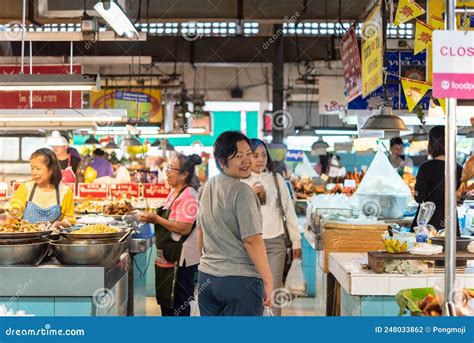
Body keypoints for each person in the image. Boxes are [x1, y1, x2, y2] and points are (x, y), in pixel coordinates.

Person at [197, 131, 273, 316]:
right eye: (238, 156)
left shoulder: (207, 186)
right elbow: (252, 240)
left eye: (248, 154)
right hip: (240, 282)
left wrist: (207, 264)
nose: (247, 160)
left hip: (207, 279)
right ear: (222, 162)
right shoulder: (242, 191)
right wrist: (269, 280)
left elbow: (201, 233)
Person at [242, 138, 302, 316]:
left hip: (276, 243)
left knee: (273, 290)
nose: (260, 159)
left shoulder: (277, 180)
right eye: (254, 155)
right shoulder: (240, 182)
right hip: (249, 243)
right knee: (251, 289)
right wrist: (250, 195)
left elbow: (289, 210)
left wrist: (296, 241)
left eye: (263, 155)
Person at [140, 154, 201, 316]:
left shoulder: (189, 196)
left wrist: (156, 219)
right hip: (167, 260)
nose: (167, 172)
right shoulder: (174, 192)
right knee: (167, 305)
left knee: (178, 306)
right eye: (167, 168)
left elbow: (184, 228)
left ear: (185, 174)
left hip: (181, 262)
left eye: (171, 169)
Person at [412, 126, 462, 232]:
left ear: (431, 144)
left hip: (427, 222)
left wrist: (415, 192)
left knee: (425, 248)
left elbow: (419, 198)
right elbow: (460, 199)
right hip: (450, 222)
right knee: (452, 248)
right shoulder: (458, 168)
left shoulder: (425, 167)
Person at [8, 148, 75, 227]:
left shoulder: (65, 192)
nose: (34, 173)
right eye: (32, 168)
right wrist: (13, 212)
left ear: (51, 169)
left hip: (53, 238)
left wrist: (60, 224)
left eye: (38, 169)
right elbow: (14, 212)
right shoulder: (25, 188)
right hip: (25, 237)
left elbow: (70, 220)